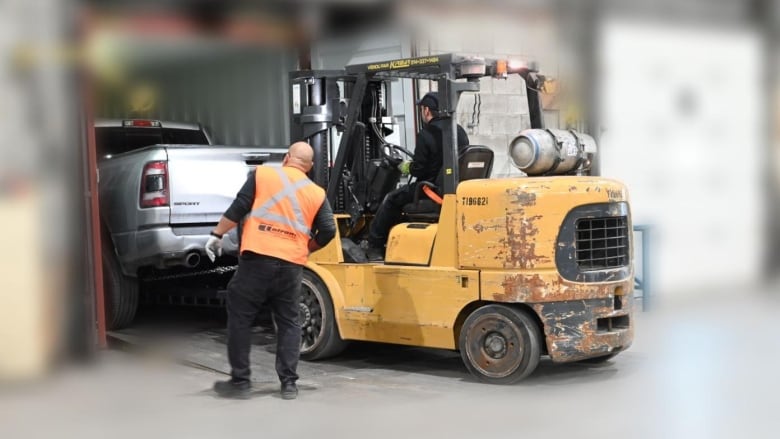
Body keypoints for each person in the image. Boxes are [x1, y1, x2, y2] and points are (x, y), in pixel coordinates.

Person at [204, 141, 336, 400]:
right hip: (291, 265)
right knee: (289, 321)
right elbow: (329, 230)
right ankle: (289, 384)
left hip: (258, 258)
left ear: (287, 158)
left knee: (241, 316)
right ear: (308, 167)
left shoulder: (262, 175)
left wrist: (217, 234)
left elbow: (239, 207)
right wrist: (306, 247)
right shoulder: (316, 192)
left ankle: (240, 382)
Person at [366, 92, 469, 261]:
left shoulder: (427, 134)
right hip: (452, 187)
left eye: (422, 109)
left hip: (431, 188)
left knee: (391, 199)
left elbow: (419, 170)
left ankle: (375, 246)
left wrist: (407, 167)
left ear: (427, 110)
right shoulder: (459, 131)